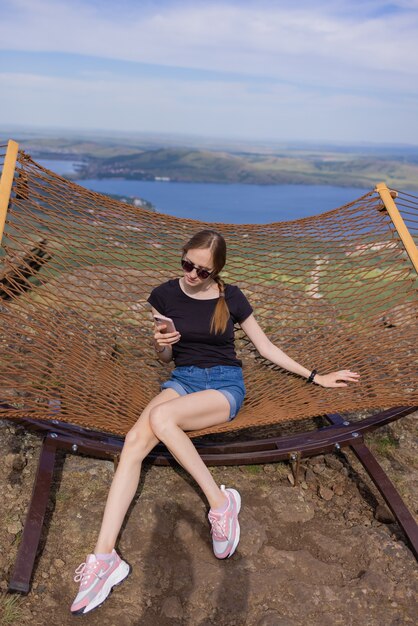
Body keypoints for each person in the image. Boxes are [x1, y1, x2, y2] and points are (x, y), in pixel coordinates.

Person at [70, 229, 360, 615]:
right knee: (134, 441)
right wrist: (163, 344)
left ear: (216, 271)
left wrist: (316, 376)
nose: (192, 274)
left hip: (223, 386)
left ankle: (220, 504)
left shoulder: (232, 297)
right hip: (182, 380)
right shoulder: (163, 295)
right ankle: (104, 558)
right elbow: (165, 360)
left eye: (202, 271)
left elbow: (265, 347)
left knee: (160, 418)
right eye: (187, 264)